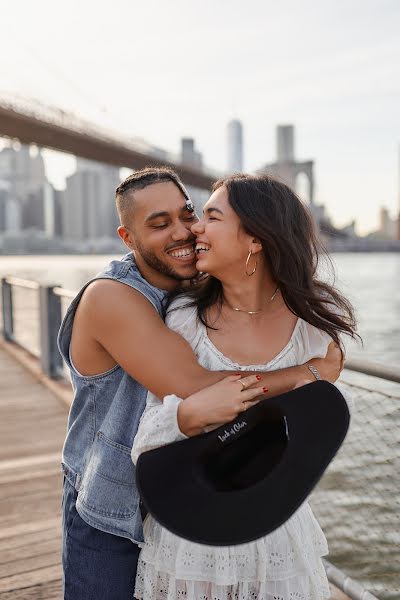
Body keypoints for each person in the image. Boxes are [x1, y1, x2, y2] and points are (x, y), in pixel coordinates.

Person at [58, 167, 343, 600]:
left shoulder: (191, 287)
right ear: (127, 239)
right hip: (112, 509)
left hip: (192, 498)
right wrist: (311, 374)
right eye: (159, 224)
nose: (186, 231)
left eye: (187, 214)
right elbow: (202, 388)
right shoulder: (111, 297)